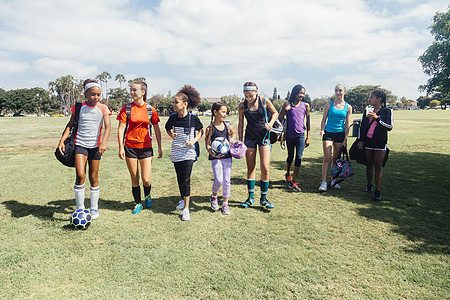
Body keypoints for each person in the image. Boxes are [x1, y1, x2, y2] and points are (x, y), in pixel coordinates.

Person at [57, 79, 111, 219]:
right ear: (86, 94)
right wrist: (62, 141)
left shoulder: (103, 108)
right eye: (93, 94)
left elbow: (108, 127)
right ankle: (80, 208)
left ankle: (94, 208)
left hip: (95, 147)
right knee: (80, 175)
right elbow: (70, 125)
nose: (96, 97)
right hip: (80, 145)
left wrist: (103, 143)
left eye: (98, 94)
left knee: (93, 177)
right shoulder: (79, 107)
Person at [117, 81, 163, 214]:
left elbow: (157, 129)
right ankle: (138, 203)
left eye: (134, 90)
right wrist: (121, 147)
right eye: (130, 90)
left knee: (146, 179)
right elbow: (121, 129)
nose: (131, 92)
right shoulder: (126, 109)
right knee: (134, 177)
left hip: (146, 147)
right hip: (130, 147)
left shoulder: (150, 109)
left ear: (143, 92)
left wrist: (159, 147)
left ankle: (147, 195)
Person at [238, 82, 279, 209]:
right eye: (246, 96)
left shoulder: (264, 101)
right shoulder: (242, 105)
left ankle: (263, 198)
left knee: (265, 168)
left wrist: (271, 123)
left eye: (250, 95)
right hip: (249, 137)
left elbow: (275, 113)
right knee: (251, 168)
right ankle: (250, 198)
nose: (249, 99)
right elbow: (240, 124)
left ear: (256, 91)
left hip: (264, 136)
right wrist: (240, 141)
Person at [165, 85, 203, 221]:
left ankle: (186, 209)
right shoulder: (173, 118)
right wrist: (171, 134)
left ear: (185, 104)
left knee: (186, 178)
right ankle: (183, 199)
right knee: (180, 177)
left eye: (176, 102)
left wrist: (193, 141)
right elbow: (167, 128)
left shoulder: (193, 118)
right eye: (174, 102)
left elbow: (200, 131)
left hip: (189, 153)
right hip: (176, 151)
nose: (174, 104)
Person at [357, 90, 393, 201]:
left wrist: (377, 118)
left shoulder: (386, 111)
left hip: (380, 142)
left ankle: (377, 191)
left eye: (372, 98)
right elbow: (362, 126)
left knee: (378, 165)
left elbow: (389, 127)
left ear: (379, 99)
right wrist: (360, 140)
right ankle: (369, 185)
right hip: (368, 141)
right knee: (369, 164)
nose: (370, 100)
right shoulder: (367, 110)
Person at [318, 84, 352, 191]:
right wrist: (322, 130)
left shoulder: (348, 107)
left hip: (340, 134)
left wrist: (345, 139)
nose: (338, 92)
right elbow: (323, 120)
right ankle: (323, 182)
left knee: (335, 159)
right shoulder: (329, 105)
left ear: (344, 92)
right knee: (327, 158)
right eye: (336, 90)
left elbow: (347, 124)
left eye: (340, 90)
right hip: (328, 133)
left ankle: (332, 181)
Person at [278, 84, 310, 192]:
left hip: (301, 135)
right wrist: (285, 110)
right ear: (295, 93)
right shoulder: (287, 104)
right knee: (290, 156)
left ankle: (293, 181)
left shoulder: (306, 106)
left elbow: (308, 122)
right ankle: (288, 174)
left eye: (303, 93)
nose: (302, 95)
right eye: (300, 93)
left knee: (299, 158)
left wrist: (308, 136)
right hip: (289, 136)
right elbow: (279, 118)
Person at [204, 102, 235, 215]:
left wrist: (231, 139)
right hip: (215, 158)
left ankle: (225, 204)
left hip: (227, 157)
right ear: (215, 112)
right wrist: (212, 153)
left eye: (226, 112)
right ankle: (214, 196)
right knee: (219, 180)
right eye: (223, 112)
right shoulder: (210, 128)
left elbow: (233, 133)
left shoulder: (227, 125)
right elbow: (207, 145)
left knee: (227, 181)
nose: (225, 114)